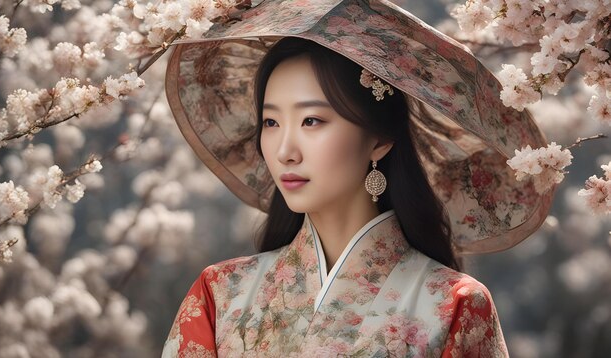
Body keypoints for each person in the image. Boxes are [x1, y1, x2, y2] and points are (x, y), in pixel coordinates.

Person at [162, 0, 553, 356]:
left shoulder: (453, 305)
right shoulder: (221, 294)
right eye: (271, 121)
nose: (284, 150)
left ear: (380, 139)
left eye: (311, 120)